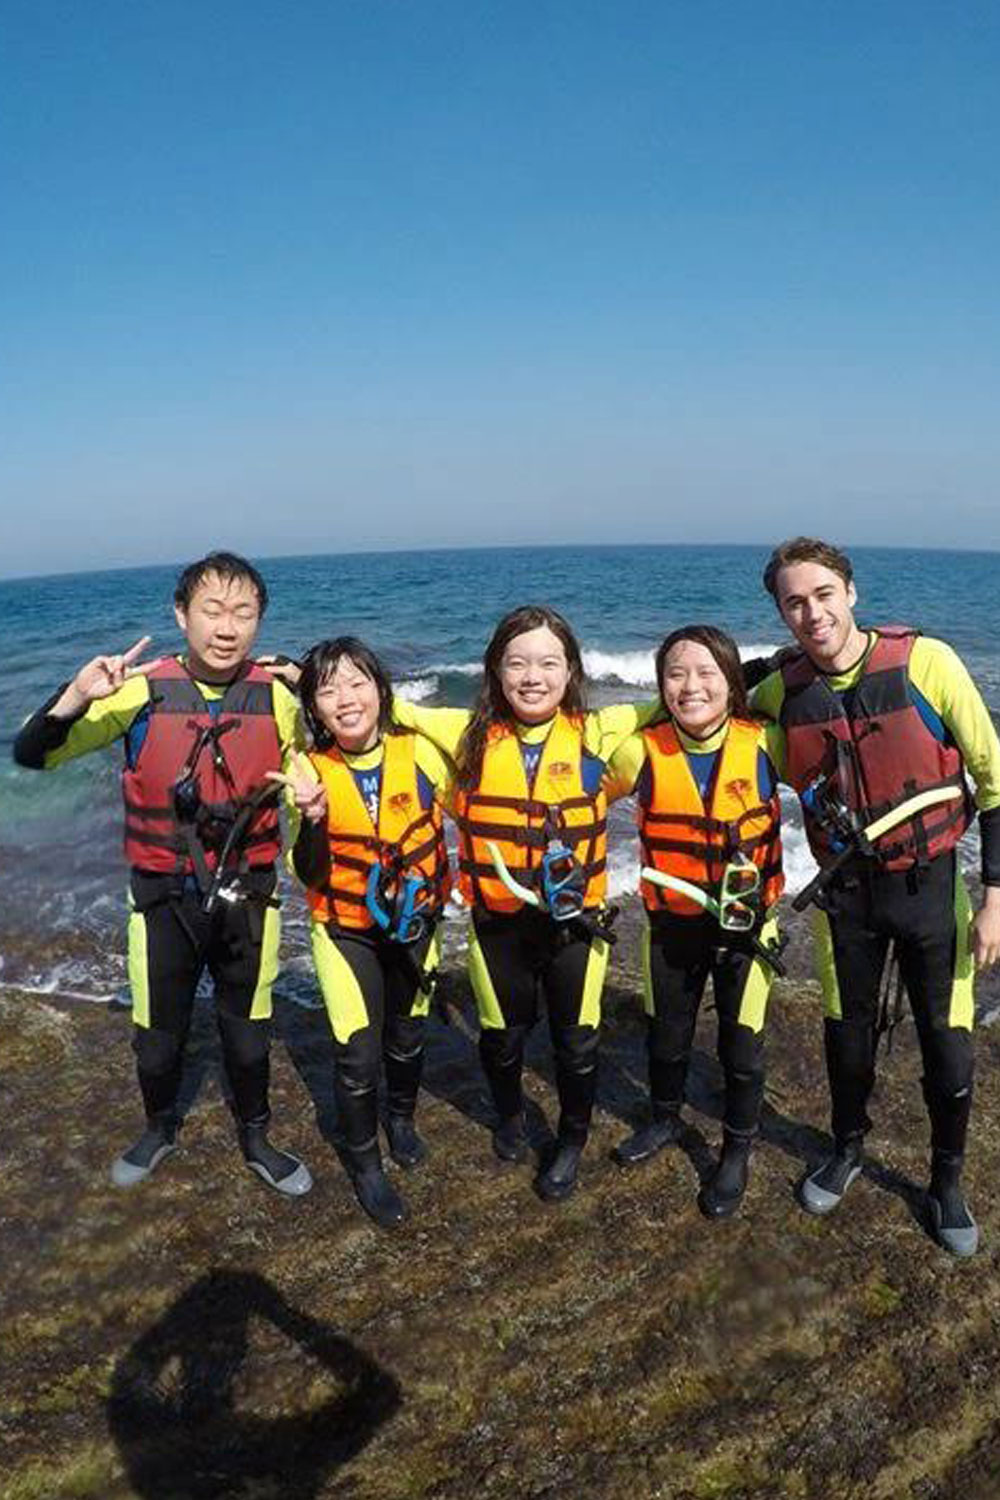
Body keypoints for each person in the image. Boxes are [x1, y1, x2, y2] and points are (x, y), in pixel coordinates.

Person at [12, 551, 312, 1196]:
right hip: (162, 897)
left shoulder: (279, 700)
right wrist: (72, 696)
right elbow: (34, 756)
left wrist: (312, 807)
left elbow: (303, 791)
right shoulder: (139, 691)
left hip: (248, 896)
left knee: (248, 1030)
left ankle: (257, 1136)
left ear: (259, 622)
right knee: (158, 1035)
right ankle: (159, 1128)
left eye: (243, 613)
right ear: (181, 615)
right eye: (212, 610)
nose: (227, 627)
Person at [753, 536, 1000, 1256]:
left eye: (823, 593)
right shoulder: (779, 692)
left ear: (851, 592)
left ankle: (946, 1182)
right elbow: (702, 710)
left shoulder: (927, 662)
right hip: (845, 902)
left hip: (930, 892)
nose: (812, 611)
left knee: (947, 1049)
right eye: (794, 602)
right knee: (846, 1035)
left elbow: (995, 783)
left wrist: (994, 900)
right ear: (781, 612)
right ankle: (847, 1148)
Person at [397, 605, 657, 1202]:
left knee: (576, 1042)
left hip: (575, 930)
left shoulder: (600, 730)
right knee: (502, 1038)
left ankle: (570, 1139)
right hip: (499, 927)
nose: (532, 676)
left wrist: (779, 669)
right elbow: (379, 707)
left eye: (548, 663)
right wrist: (294, 675)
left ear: (570, 672)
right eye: (516, 663)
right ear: (494, 671)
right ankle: (510, 1116)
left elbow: (683, 694)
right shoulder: (464, 732)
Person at [605, 626, 784, 1217]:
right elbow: (575, 795)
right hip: (673, 924)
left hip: (747, 927)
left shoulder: (767, 743)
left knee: (741, 1044)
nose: (691, 686)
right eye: (676, 674)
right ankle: (662, 1119)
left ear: (733, 682)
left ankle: (736, 1150)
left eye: (708, 673)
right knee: (668, 1032)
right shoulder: (642, 751)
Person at [277, 638, 453, 1229]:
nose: (345, 699)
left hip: (415, 922)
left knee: (407, 1034)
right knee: (357, 1052)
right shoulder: (306, 771)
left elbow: (475, 813)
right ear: (315, 708)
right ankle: (365, 1164)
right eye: (328, 690)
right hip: (345, 929)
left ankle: (400, 1120)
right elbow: (308, 871)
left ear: (381, 690)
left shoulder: (423, 754)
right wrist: (315, 819)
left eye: (356, 683)